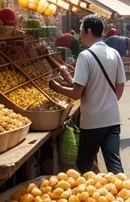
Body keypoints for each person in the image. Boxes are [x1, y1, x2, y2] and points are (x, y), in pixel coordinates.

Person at [50, 15, 126, 174]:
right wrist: (108, 102)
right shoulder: (114, 53)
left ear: (89, 31)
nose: (79, 34)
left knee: (84, 164)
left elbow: (77, 93)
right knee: (114, 164)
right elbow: (120, 86)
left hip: (93, 121)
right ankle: (122, 195)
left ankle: (88, 196)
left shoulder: (85, 56)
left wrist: (56, 87)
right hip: (112, 118)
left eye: (81, 30)